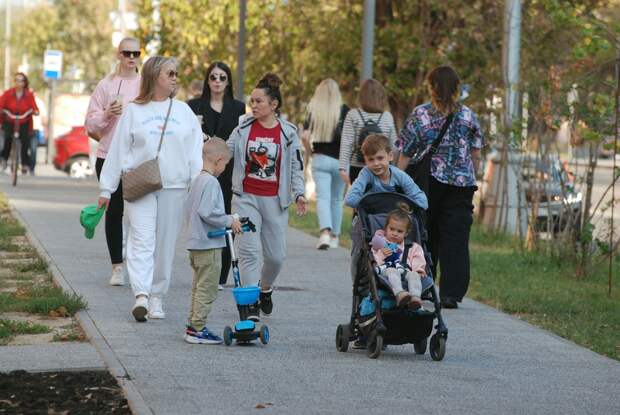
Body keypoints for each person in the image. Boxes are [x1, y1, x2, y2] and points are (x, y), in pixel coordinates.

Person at [97, 56, 203, 322]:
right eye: (170, 73)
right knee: (141, 240)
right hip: (140, 183)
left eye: (176, 73)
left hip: (174, 186)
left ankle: (157, 298)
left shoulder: (183, 112)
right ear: (155, 75)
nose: (175, 78)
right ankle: (141, 295)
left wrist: (197, 182)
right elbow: (118, 148)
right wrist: (106, 188)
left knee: (165, 245)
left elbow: (195, 151)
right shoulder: (134, 110)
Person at [397, 65, 483, 309]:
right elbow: (476, 152)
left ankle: (425, 285)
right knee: (456, 237)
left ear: (431, 87)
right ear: (457, 88)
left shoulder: (421, 114)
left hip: (429, 182)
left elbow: (405, 151)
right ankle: (451, 293)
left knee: (426, 233)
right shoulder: (468, 115)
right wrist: (471, 173)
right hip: (462, 185)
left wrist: (395, 181)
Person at [227, 73, 307, 321]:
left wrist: (300, 194)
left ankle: (264, 288)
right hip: (246, 199)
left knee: (275, 257)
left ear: (274, 105)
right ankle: (250, 306)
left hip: (275, 202)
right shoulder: (242, 129)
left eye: (259, 101)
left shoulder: (288, 133)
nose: (254, 105)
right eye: (252, 101)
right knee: (249, 252)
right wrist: (203, 143)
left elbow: (296, 167)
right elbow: (224, 151)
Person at [85, 37, 141, 286]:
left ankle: (138, 261)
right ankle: (117, 266)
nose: (131, 57)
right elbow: (90, 123)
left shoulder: (146, 84)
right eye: (127, 52)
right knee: (114, 212)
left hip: (138, 158)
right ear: (119, 55)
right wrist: (107, 113)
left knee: (140, 213)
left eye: (136, 53)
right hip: (108, 156)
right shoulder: (106, 85)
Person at [188, 62, 246, 290]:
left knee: (227, 216)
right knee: (203, 215)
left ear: (228, 81)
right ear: (207, 80)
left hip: (228, 170)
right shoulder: (194, 106)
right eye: (213, 77)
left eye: (222, 77)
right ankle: (203, 267)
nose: (218, 82)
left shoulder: (238, 108)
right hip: (202, 169)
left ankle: (222, 274)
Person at [184, 137, 242, 344]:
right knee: (207, 289)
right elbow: (208, 212)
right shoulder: (211, 182)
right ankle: (198, 328)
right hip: (208, 245)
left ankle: (192, 325)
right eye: (225, 164)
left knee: (198, 288)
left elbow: (191, 209)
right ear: (218, 160)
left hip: (196, 243)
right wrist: (230, 220)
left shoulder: (197, 180)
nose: (224, 168)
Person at [301, 79, 349, 250]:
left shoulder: (313, 110)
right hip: (340, 161)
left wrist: (310, 152)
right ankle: (335, 236)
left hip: (320, 157)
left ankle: (325, 234)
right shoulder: (345, 110)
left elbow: (305, 137)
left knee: (323, 198)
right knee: (337, 199)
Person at [338, 78, 398, 185]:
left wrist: (342, 168)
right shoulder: (387, 116)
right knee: (379, 199)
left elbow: (347, 143)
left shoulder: (353, 114)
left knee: (361, 200)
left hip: (357, 167)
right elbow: (394, 145)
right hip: (382, 167)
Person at [344, 134, 427, 210]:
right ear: (365, 161)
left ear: (390, 156)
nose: (376, 163)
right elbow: (350, 199)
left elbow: (423, 202)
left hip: (395, 219)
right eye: (371, 159)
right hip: (372, 218)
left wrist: (404, 206)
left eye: (380, 158)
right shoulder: (366, 173)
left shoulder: (399, 175)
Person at [371, 203, 425, 309]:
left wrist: (418, 270)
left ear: (406, 233)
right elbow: (374, 251)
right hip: (386, 271)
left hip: (405, 271)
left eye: (399, 231)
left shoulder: (412, 246)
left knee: (414, 274)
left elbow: (418, 259)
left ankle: (415, 298)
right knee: (392, 271)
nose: (395, 233)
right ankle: (399, 294)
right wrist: (382, 252)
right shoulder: (381, 243)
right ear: (386, 228)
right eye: (391, 229)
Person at [0, 72, 39, 175]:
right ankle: (4, 159)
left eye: (21, 80)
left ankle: (25, 164)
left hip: (23, 120)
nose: (18, 83)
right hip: (10, 120)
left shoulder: (28, 95)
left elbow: (34, 107)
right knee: (8, 138)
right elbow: (1, 103)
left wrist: (35, 111)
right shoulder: (8, 93)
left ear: (24, 82)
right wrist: (2, 110)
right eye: (16, 80)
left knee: (25, 141)